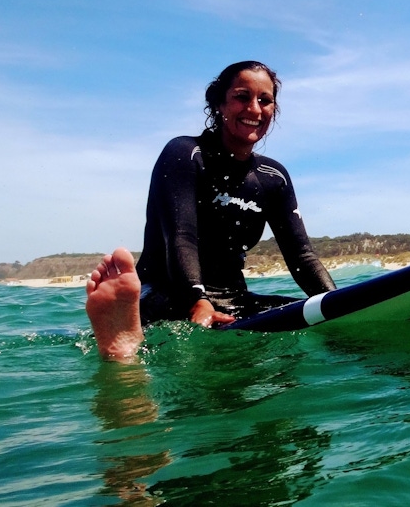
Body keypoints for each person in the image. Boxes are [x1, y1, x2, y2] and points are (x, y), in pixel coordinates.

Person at [86, 61, 336, 359]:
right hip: (170, 293)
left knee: (307, 316)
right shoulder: (186, 154)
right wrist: (197, 300)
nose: (254, 109)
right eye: (242, 97)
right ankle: (125, 338)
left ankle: (130, 343)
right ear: (219, 104)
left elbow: (302, 256)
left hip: (234, 301)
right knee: (175, 324)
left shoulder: (273, 178)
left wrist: (336, 302)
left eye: (265, 100)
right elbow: (182, 236)